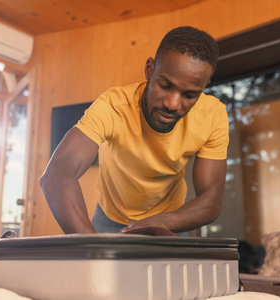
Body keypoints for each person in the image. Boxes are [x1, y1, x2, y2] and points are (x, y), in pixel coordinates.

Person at [39, 26, 229, 235]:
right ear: (149, 69)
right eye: (165, 85)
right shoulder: (113, 106)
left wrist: (160, 222)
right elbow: (57, 174)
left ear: (204, 86)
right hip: (110, 217)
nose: (173, 104)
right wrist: (91, 247)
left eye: (190, 95)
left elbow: (211, 200)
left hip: (170, 217)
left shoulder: (213, 115)